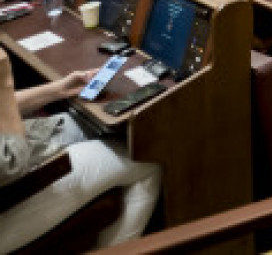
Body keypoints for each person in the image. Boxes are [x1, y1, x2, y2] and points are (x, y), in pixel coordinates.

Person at [0, 47, 161, 249]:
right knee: (144, 161)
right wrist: (4, 80)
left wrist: (59, 89)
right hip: (11, 187)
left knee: (85, 125)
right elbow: (12, 165)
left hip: (22, 142)